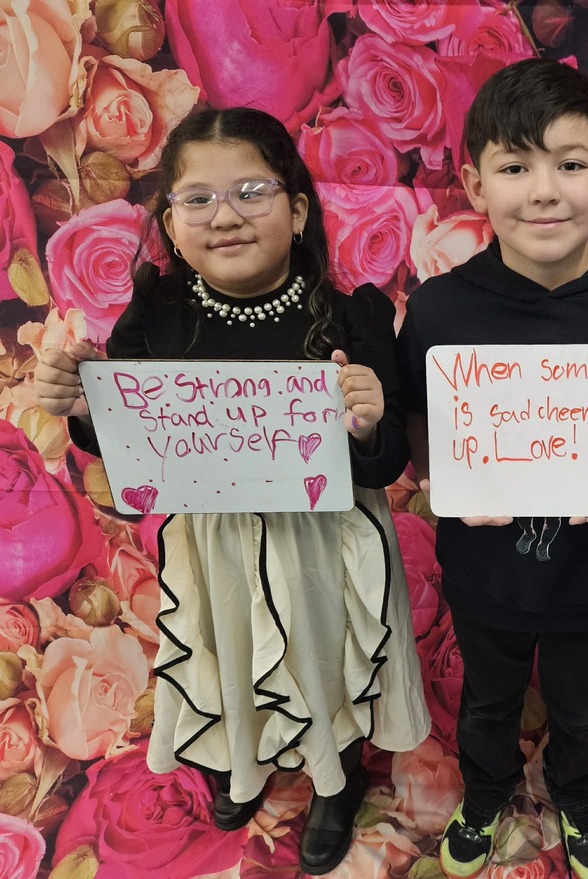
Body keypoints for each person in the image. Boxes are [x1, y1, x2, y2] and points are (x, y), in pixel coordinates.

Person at [34, 108, 430, 875]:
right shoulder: (158, 314)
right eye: (199, 199)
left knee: (325, 660)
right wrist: (85, 404)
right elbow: (129, 448)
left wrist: (368, 420)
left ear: (297, 208)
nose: (227, 215)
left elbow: (385, 467)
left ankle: (334, 779)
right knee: (226, 654)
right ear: (172, 220)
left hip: (325, 544)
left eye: (253, 191)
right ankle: (238, 763)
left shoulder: (355, 314)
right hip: (212, 541)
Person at [397, 59, 588, 879]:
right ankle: (487, 792)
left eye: (569, 165)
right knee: (487, 697)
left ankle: (576, 795)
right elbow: (417, 416)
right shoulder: (439, 310)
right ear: (474, 182)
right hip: (484, 566)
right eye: (514, 166)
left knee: (579, 700)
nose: (544, 191)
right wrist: (440, 476)